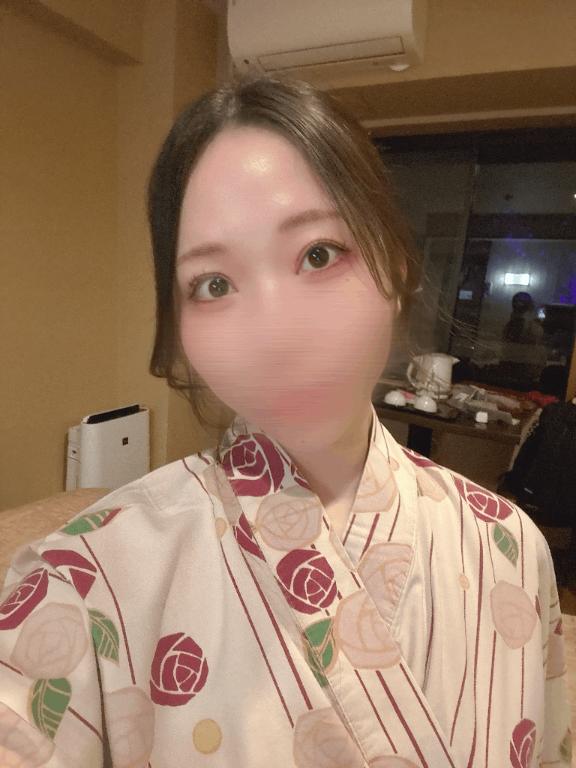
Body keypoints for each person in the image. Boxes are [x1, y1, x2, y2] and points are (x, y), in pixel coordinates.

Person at [0, 75, 572, 767]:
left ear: (395, 268)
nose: (274, 336)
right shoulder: (82, 585)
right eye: (214, 284)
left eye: (318, 254)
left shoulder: (510, 545)